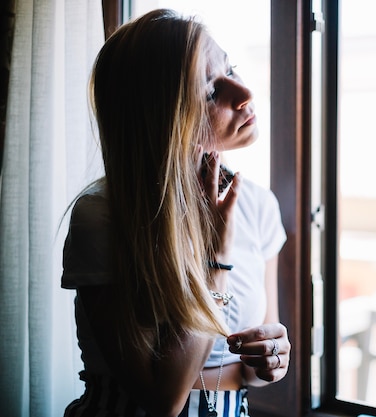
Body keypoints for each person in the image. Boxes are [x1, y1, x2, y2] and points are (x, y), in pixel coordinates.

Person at [61, 8, 290, 417]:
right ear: (163, 120)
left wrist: (270, 357)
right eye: (209, 92)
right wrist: (216, 260)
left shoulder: (256, 205)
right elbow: (164, 401)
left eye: (231, 68)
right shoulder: (102, 217)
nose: (243, 93)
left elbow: (252, 366)